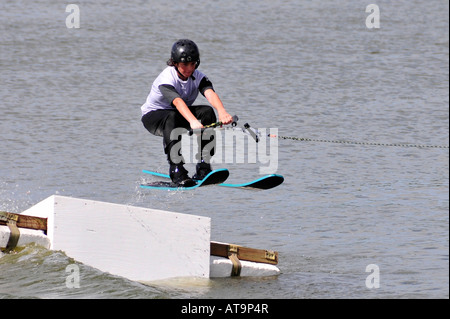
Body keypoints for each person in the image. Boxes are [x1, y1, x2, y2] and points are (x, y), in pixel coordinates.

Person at [141, 39, 233, 186]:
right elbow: (177, 102)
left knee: (207, 112)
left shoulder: (198, 76)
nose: (189, 68)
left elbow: (209, 93)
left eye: (193, 64)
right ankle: (176, 169)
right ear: (175, 63)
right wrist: (192, 121)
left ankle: (204, 167)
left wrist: (222, 112)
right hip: (153, 117)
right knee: (171, 115)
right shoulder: (167, 78)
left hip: (178, 115)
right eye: (184, 64)